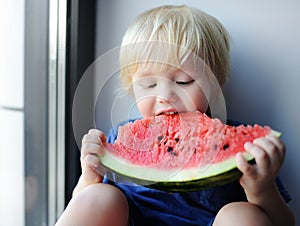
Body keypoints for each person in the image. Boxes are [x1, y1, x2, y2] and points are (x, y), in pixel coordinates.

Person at [55, 5, 295, 226]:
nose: (165, 96)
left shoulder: (247, 149)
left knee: (242, 215)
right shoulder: (120, 137)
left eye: (183, 81)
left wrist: (261, 190)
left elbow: (284, 222)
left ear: (216, 85)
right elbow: (82, 205)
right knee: (98, 196)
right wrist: (89, 176)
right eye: (148, 85)